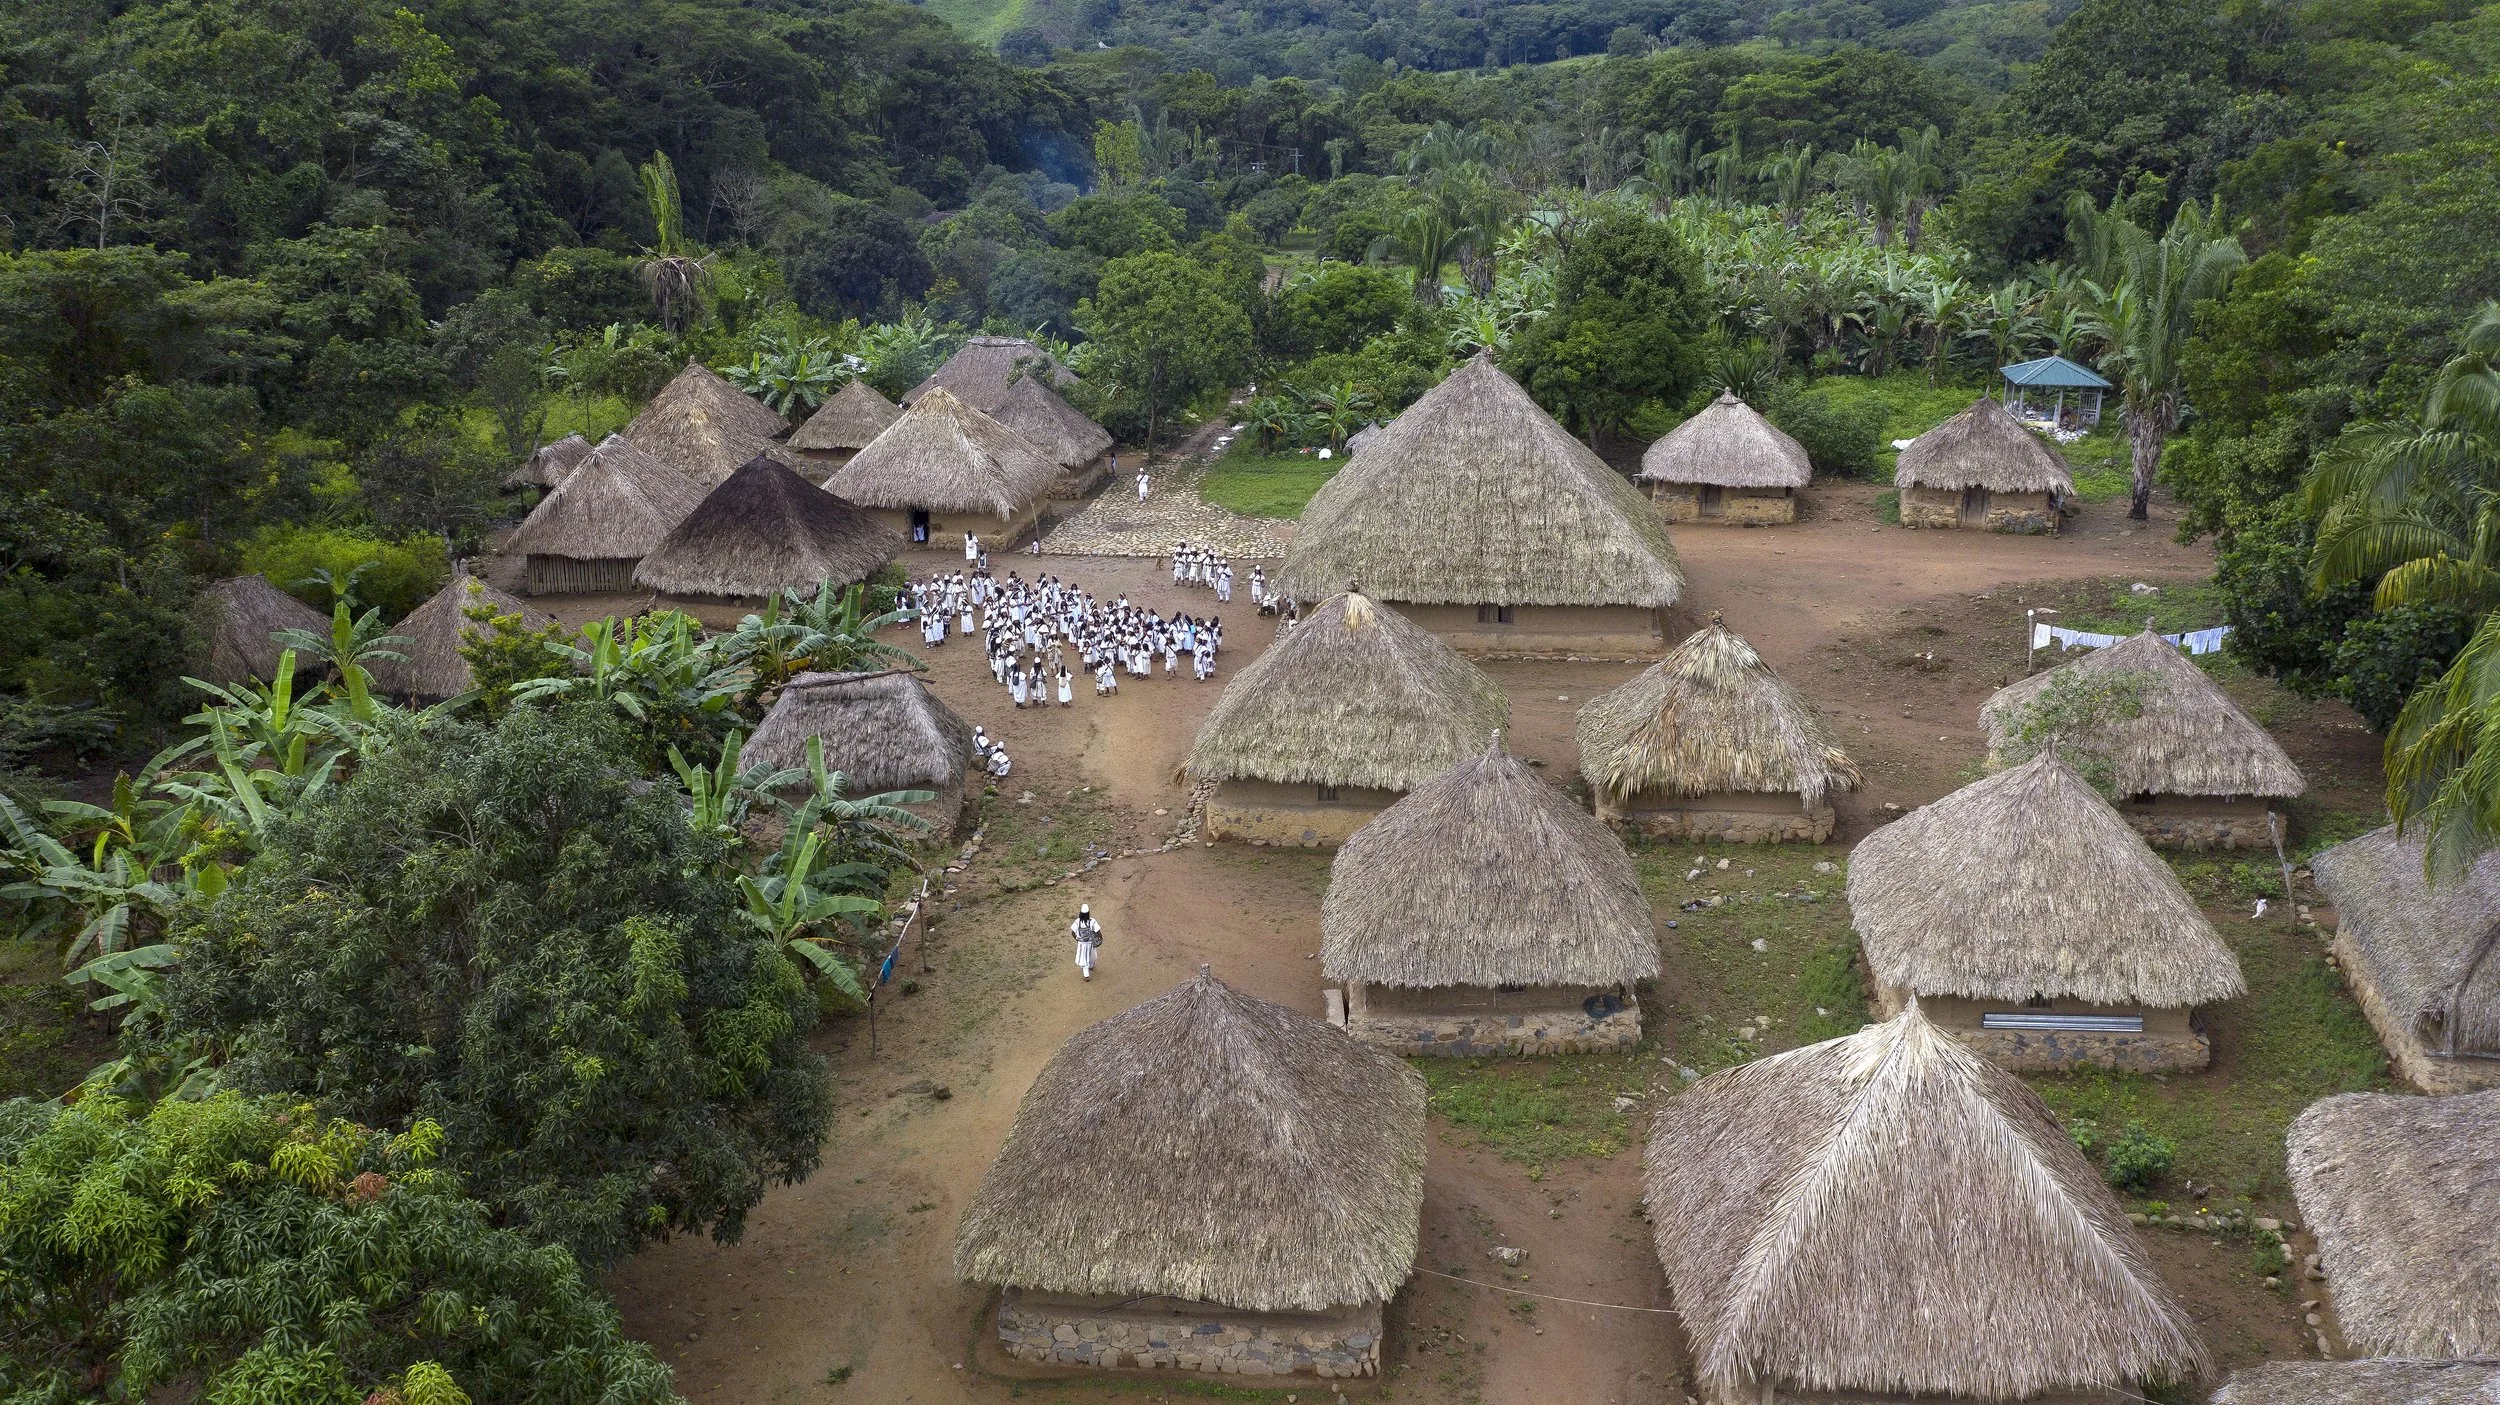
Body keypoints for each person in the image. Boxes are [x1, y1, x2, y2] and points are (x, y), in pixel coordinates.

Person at [1071, 904, 1102, 981]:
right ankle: (1091, 966)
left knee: (1083, 959)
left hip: (1081, 944)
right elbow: (1098, 931)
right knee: (1092, 955)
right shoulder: (1092, 921)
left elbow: (1072, 932)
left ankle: (1086, 975)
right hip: (1091, 943)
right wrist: (1100, 938)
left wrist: (1077, 939)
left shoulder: (1077, 922)